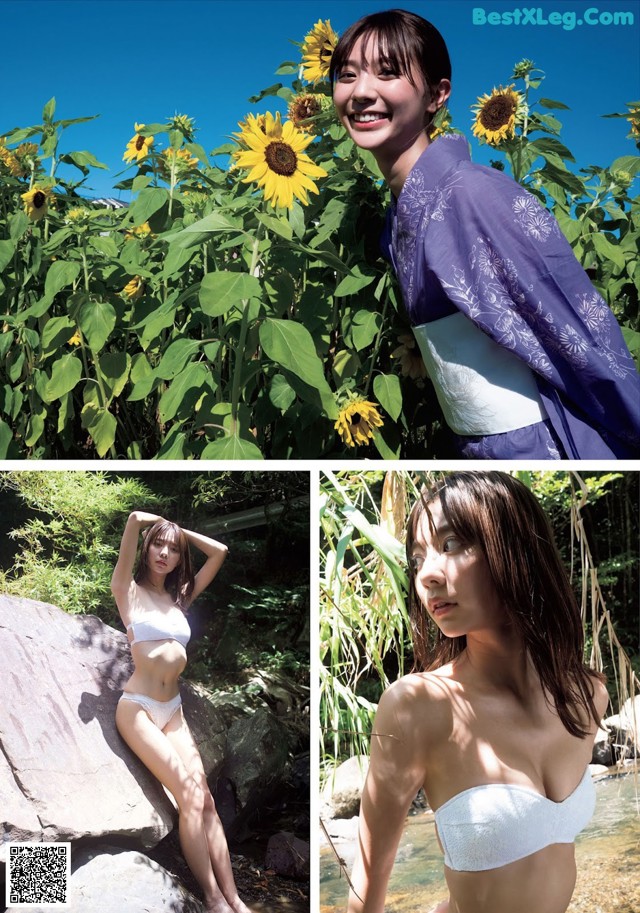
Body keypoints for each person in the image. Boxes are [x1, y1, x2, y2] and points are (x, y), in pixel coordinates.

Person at [331, 9, 640, 459]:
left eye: (388, 72)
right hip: (476, 446)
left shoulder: (472, 194)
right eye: (347, 75)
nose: (361, 92)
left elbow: (573, 330)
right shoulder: (399, 215)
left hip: (540, 444)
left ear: (438, 95)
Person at [345, 471, 609, 913]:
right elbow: (366, 890)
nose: (426, 574)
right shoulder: (417, 707)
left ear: (516, 547)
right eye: (416, 559)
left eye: (449, 545)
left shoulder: (587, 694)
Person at [112, 511, 252, 913]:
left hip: (172, 710)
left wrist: (177, 530)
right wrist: (144, 522)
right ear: (146, 548)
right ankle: (212, 900)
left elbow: (220, 551)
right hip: (138, 708)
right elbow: (135, 523)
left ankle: (235, 899)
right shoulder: (127, 590)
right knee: (189, 796)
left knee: (205, 799)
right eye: (159, 544)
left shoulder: (180, 596)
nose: (165, 553)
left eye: (173, 549)